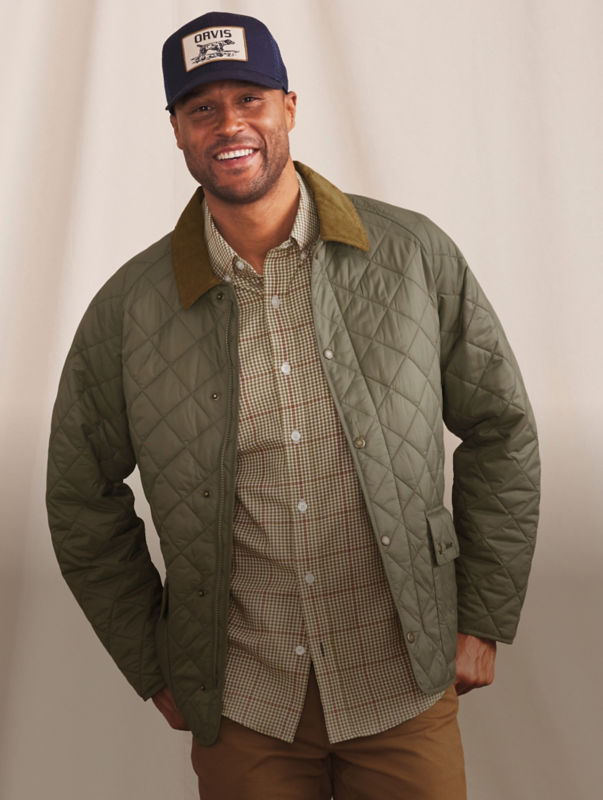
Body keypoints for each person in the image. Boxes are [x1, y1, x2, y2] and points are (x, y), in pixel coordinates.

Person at [46, 11, 540, 800]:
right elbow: (79, 496)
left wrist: (480, 614)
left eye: (250, 98)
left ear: (289, 107)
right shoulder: (128, 310)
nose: (229, 124)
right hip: (246, 708)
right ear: (175, 129)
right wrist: (152, 661)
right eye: (202, 108)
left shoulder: (413, 256)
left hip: (401, 687)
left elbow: (500, 429)